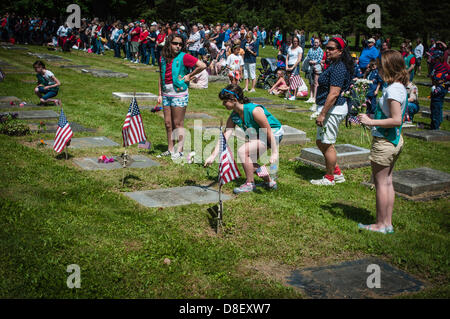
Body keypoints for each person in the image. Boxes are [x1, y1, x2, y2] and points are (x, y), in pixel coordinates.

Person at [357, 50, 409, 234]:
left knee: (381, 183)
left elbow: (396, 119)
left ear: (389, 66)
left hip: (385, 141)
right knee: (387, 182)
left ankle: (380, 224)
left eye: (381, 66)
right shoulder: (399, 87)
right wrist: (371, 115)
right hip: (393, 139)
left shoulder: (394, 89)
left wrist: (371, 122)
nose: (378, 69)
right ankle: (387, 223)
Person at [204, 84, 283, 194]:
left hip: (274, 133)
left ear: (234, 99)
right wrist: (213, 156)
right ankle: (270, 182)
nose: (223, 104)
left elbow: (268, 131)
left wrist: (275, 153)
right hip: (259, 134)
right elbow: (225, 135)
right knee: (250, 163)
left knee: (243, 151)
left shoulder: (254, 110)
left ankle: (250, 184)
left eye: (225, 101)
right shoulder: (234, 116)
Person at [310, 36, 352, 186]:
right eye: (326, 48)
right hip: (329, 109)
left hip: (333, 110)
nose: (327, 51)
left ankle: (330, 178)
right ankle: (337, 173)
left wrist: (323, 113)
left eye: (331, 48)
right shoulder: (335, 65)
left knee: (327, 143)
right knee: (320, 141)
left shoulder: (339, 68)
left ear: (340, 51)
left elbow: (334, 93)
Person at [157, 34, 206, 160]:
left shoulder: (184, 57)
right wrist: (159, 94)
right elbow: (160, 76)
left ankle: (180, 150)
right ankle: (170, 149)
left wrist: (189, 75)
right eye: (175, 43)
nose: (178, 46)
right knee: (168, 123)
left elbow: (202, 65)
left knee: (177, 123)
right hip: (166, 93)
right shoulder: (163, 57)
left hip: (179, 93)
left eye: (180, 44)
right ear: (169, 43)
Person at [305, 38, 324, 105]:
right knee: (311, 82)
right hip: (310, 66)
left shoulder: (320, 50)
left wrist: (314, 61)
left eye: (317, 42)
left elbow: (319, 59)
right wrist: (309, 61)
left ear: (319, 43)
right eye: (314, 42)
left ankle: (315, 97)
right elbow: (308, 56)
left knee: (316, 82)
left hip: (317, 66)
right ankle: (311, 96)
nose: (315, 44)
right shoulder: (311, 49)